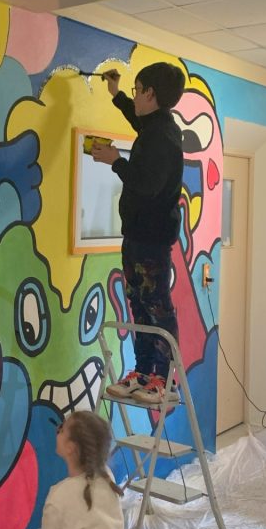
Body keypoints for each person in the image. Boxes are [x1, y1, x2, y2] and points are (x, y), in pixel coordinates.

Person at [91, 63, 185, 405]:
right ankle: (144, 372)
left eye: (136, 90)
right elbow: (137, 118)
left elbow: (147, 184)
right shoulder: (155, 127)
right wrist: (116, 94)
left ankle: (165, 379)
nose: (134, 97)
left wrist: (116, 161)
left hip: (152, 240)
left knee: (157, 307)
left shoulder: (162, 136)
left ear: (150, 94)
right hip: (137, 237)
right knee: (140, 305)